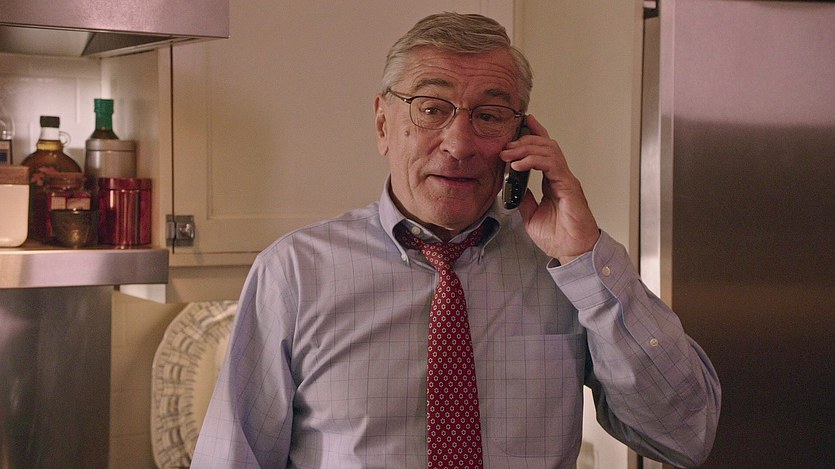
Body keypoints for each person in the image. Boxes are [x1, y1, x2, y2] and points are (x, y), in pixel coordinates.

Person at [192, 12, 720, 469]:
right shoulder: (295, 272)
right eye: (431, 108)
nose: (460, 144)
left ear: (521, 137)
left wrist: (585, 256)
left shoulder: (568, 270)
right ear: (383, 123)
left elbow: (685, 436)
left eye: (489, 116)